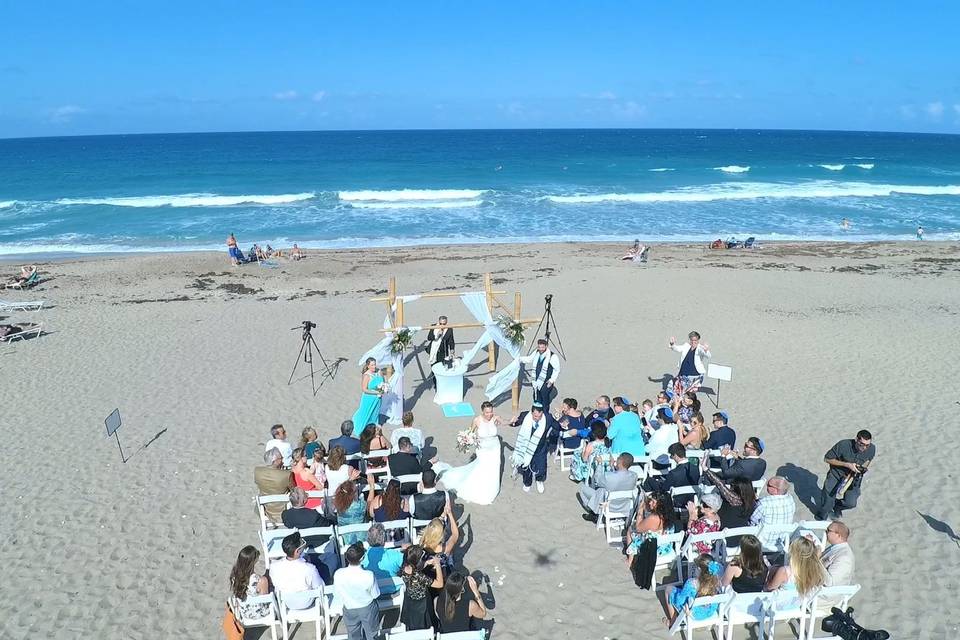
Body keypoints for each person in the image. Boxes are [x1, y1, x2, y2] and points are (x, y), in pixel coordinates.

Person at [433, 401, 504, 505]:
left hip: (495, 447)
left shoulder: (495, 418)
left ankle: (492, 489)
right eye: (487, 412)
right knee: (483, 466)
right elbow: (471, 431)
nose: (489, 414)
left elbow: (505, 422)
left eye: (491, 412)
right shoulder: (477, 420)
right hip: (483, 448)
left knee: (494, 467)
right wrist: (466, 439)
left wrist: (511, 421)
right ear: (482, 412)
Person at [815, 430, 876, 520]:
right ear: (856, 440)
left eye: (867, 445)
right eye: (862, 444)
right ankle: (822, 516)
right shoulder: (843, 445)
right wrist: (847, 464)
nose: (865, 447)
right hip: (836, 474)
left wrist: (862, 468)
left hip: (854, 478)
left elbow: (868, 460)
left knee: (851, 503)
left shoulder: (872, 448)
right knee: (828, 501)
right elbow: (827, 459)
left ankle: (837, 506)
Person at [333, 542, 381, 640]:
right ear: (362, 558)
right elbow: (375, 594)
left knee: (353, 635)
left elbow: (337, 593)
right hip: (367, 608)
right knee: (372, 634)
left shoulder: (338, 574)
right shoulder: (369, 575)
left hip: (349, 607)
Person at [765, 536, 827, 609]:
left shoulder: (785, 571)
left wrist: (769, 575)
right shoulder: (814, 571)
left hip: (778, 606)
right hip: (797, 605)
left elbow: (770, 587)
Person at [510, 402, 557, 494]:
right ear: (531, 413)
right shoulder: (524, 416)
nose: (537, 418)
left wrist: (563, 423)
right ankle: (527, 483)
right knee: (526, 465)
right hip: (526, 447)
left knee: (541, 465)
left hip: (541, 447)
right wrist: (512, 423)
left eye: (539, 416)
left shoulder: (548, 418)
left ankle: (539, 480)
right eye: (535, 416)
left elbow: (557, 426)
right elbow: (515, 423)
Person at [665, 554, 723, 627]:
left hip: (694, 613)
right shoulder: (717, 581)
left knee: (668, 589)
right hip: (709, 611)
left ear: (699, 569)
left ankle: (673, 621)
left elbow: (679, 600)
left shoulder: (691, 583)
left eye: (695, 567)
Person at [270, 532, 323, 610]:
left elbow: (275, 584)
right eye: (303, 544)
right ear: (297, 551)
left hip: (287, 602)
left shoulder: (274, 566)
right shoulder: (309, 568)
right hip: (306, 602)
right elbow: (319, 586)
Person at [579, 453, 637, 520]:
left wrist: (599, 464)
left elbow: (597, 479)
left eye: (618, 458)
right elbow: (618, 478)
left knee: (583, 488)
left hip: (607, 505)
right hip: (623, 505)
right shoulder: (634, 476)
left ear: (620, 461)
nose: (616, 459)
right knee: (602, 490)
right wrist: (612, 467)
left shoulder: (609, 477)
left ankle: (594, 512)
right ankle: (594, 508)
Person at [625, 491, 675, 570]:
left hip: (654, 549)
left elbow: (638, 528)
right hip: (666, 547)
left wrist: (640, 510)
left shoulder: (654, 518)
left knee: (631, 530)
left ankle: (630, 560)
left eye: (653, 502)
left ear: (660, 505)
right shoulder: (669, 515)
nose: (650, 503)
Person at [399, 545, 444, 631]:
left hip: (409, 601)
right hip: (422, 605)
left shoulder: (404, 566)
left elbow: (415, 566)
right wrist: (438, 565)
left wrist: (426, 563)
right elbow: (440, 584)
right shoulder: (419, 576)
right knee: (426, 627)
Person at [751, 477, 797, 548]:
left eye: (768, 485)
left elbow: (752, 520)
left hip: (762, 541)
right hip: (780, 541)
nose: (766, 486)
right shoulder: (790, 500)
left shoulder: (764, 503)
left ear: (776, 490)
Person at [228, 545, 271, 619]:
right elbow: (265, 601)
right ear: (253, 562)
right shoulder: (261, 580)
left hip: (244, 611)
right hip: (258, 612)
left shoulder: (234, 576)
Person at [518, 338, 561, 410]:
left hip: (546, 381)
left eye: (542, 347)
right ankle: (536, 411)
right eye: (539, 347)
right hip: (536, 380)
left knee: (544, 399)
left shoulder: (552, 356)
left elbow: (557, 370)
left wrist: (551, 380)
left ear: (546, 346)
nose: (540, 349)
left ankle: (545, 413)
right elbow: (529, 359)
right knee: (536, 397)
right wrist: (519, 359)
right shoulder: (536, 352)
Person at [361, 524, 404, 594]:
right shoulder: (394, 554)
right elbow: (410, 563)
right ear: (384, 539)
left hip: (373, 592)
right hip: (394, 590)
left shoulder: (362, 558)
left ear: (368, 539)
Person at [254, 448, 292, 525]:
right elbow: (293, 489)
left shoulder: (257, 471)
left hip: (265, 507)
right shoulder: (286, 475)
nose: (283, 461)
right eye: (281, 458)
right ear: (275, 461)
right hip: (282, 509)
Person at [669, 331, 711, 395]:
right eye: (691, 340)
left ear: (698, 340)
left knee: (690, 395)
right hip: (683, 373)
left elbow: (708, 356)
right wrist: (672, 344)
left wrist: (706, 350)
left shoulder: (700, 348)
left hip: (694, 375)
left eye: (695, 340)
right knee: (679, 392)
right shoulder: (686, 345)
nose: (693, 342)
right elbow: (677, 349)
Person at [352, 358, 385, 437]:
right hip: (368, 398)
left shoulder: (379, 372)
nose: (374, 366)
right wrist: (376, 392)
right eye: (372, 365)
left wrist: (384, 388)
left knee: (375, 413)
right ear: (368, 366)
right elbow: (364, 389)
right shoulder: (367, 375)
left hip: (378, 399)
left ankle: (373, 429)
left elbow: (383, 382)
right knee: (365, 413)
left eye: (374, 364)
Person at [334, 479, 374, 544]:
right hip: (361, 539)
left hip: (345, 540)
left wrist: (350, 480)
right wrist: (372, 486)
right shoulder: (359, 506)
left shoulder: (338, 504)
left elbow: (345, 489)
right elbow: (370, 505)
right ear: (353, 494)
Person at [821, 521, 855, 586]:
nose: (826, 532)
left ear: (838, 535)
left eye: (828, 530)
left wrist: (816, 561)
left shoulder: (845, 557)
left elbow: (830, 583)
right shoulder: (836, 547)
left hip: (824, 593)